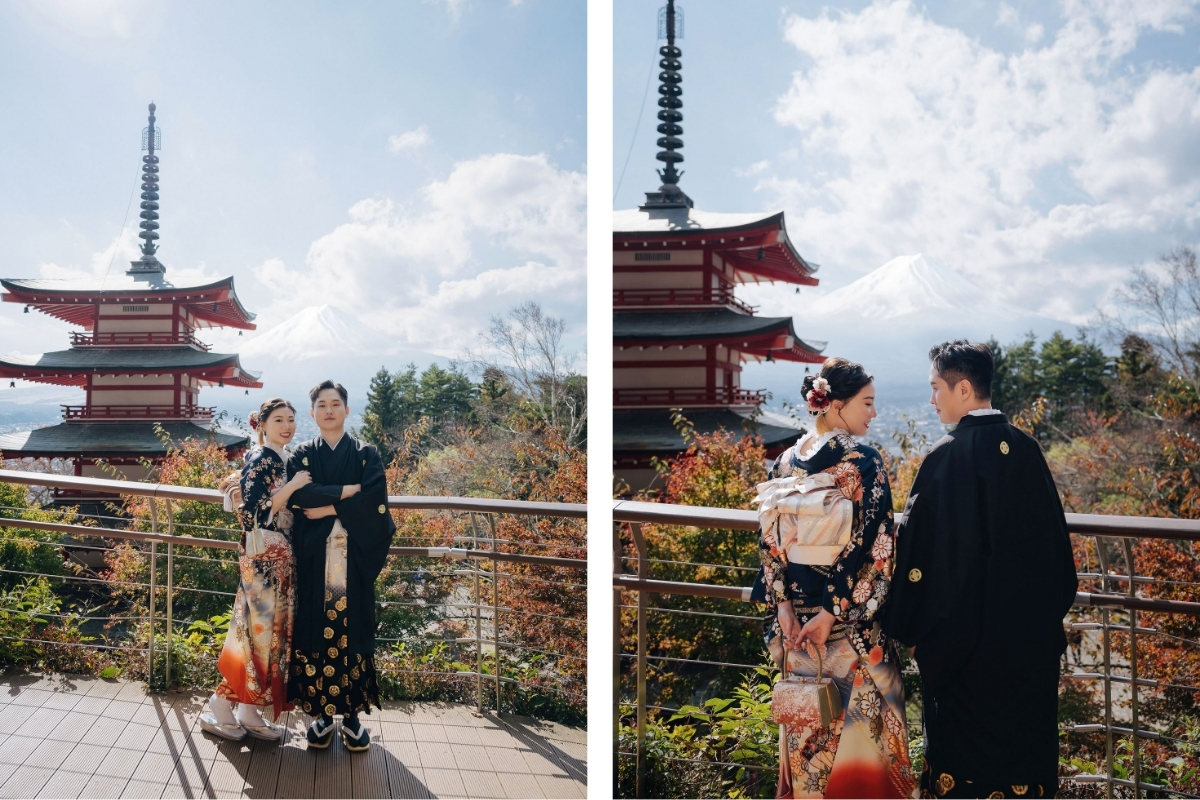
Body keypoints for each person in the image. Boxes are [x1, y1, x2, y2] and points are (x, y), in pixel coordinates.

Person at [881, 340, 1078, 798]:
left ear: (964, 388)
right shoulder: (1028, 450)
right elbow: (1057, 556)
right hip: (1027, 651)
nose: (932, 400)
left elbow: (916, 562)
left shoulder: (944, 458)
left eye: (936, 388)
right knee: (1023, 758)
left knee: (964, 763)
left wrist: (913, 631)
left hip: (963, 654)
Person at [751, 357, 916, 799]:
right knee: (862, 752)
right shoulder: (863, 461)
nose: (873, 413)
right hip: (845, 630)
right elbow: (876, 546)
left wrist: (784, 607)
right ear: (834, 405)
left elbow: (769, 542)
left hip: (798, 636)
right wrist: (831, 613)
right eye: (867, 403)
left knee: (807, 731)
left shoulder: (785, 462)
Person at [285, 380, 396, 752]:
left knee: (353, 631)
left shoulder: (366, 454)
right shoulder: (301, 453)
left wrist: (329, 507)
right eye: (321, 405)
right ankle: (320, 714)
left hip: (354, 562)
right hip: (315, 560)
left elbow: (376, 501)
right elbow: (299, 495)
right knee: (315, 633)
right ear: (313, 412)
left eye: (336, 404)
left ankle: (350, 717)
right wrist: (348, 493)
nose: (329, 410)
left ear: (347, 410)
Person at [200, 398, 310, 741]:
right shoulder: (262, 458)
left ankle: (247, 710)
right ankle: (219, 704)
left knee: (268, 637)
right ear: (262, 424)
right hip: (262, 558)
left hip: (279, 558)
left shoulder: (283, 457)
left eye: (291, 419)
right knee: (255, 634)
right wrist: (292, 487)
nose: (287, 426)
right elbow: (253, 515)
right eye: (279, 420)